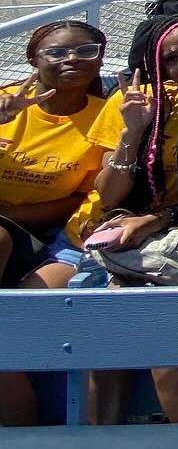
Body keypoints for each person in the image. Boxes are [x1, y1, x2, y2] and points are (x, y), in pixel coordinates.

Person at [80, 13, 178, 424]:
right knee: (108, 324)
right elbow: (108, 194)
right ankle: (100, 434)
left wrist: (158, 219)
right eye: (171, 59)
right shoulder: (140, 101)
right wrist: (133, 131)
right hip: (121, 231)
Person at [0, 21, 108, 293]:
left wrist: (10, 214)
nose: (72, 59)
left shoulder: (109, 116)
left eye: (86, 51)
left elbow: (82, 197)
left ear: (100, 59)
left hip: (44, 229)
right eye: (57, 53)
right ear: (33, 60)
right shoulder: (4, 102)